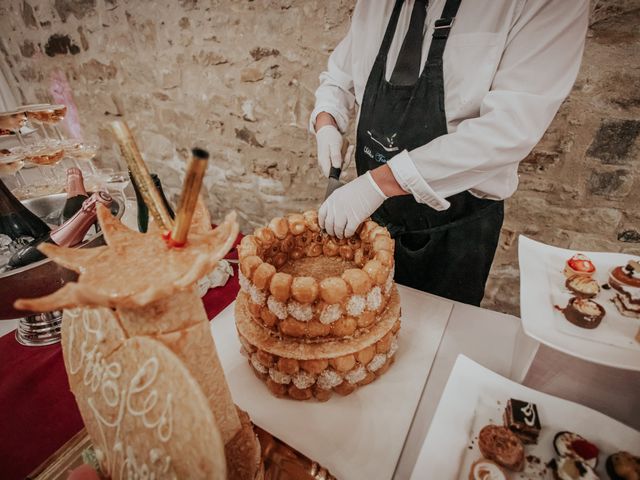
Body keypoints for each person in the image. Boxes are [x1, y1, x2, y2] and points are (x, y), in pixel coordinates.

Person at [312, 0, 589, 305]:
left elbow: (508, 129)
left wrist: (379, 183)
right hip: (374, 214)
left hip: (454, 231)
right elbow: (340, 76)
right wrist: (327, 120)